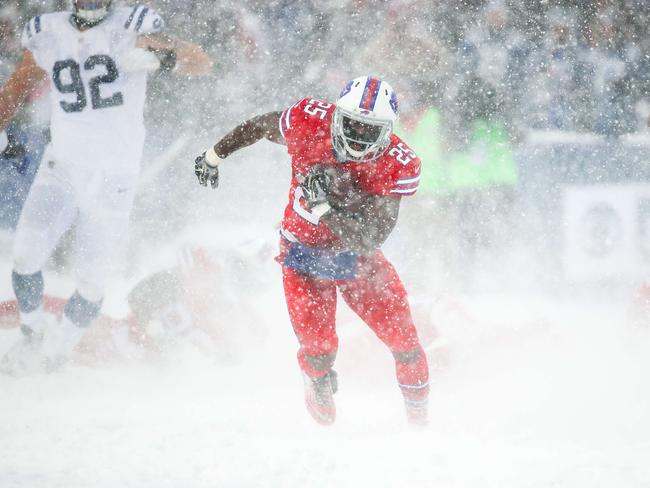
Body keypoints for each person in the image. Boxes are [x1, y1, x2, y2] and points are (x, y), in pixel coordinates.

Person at [194, 76, 430, 426]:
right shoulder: (309, 119)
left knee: (405, 341)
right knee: (320, 353)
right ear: (335, 116)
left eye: (369, 130)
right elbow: (261, 126)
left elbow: (369, 238)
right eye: (351, 125)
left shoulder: (399, 163)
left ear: (388, 132)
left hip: (357, 260)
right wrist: (214, 155)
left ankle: (420, 424)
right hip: (302, 256)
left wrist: (325, 210)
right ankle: (316, 380)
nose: (357, 137)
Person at [0, 0, 210, 373]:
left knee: (93, 282)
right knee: (25, 254)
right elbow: (15, 88)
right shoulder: (50, 32)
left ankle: (57, 353)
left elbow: (200, 61)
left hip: (114, 176)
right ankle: (32, 336)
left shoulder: (133, 27)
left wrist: (161, 61)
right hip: (62, 167)